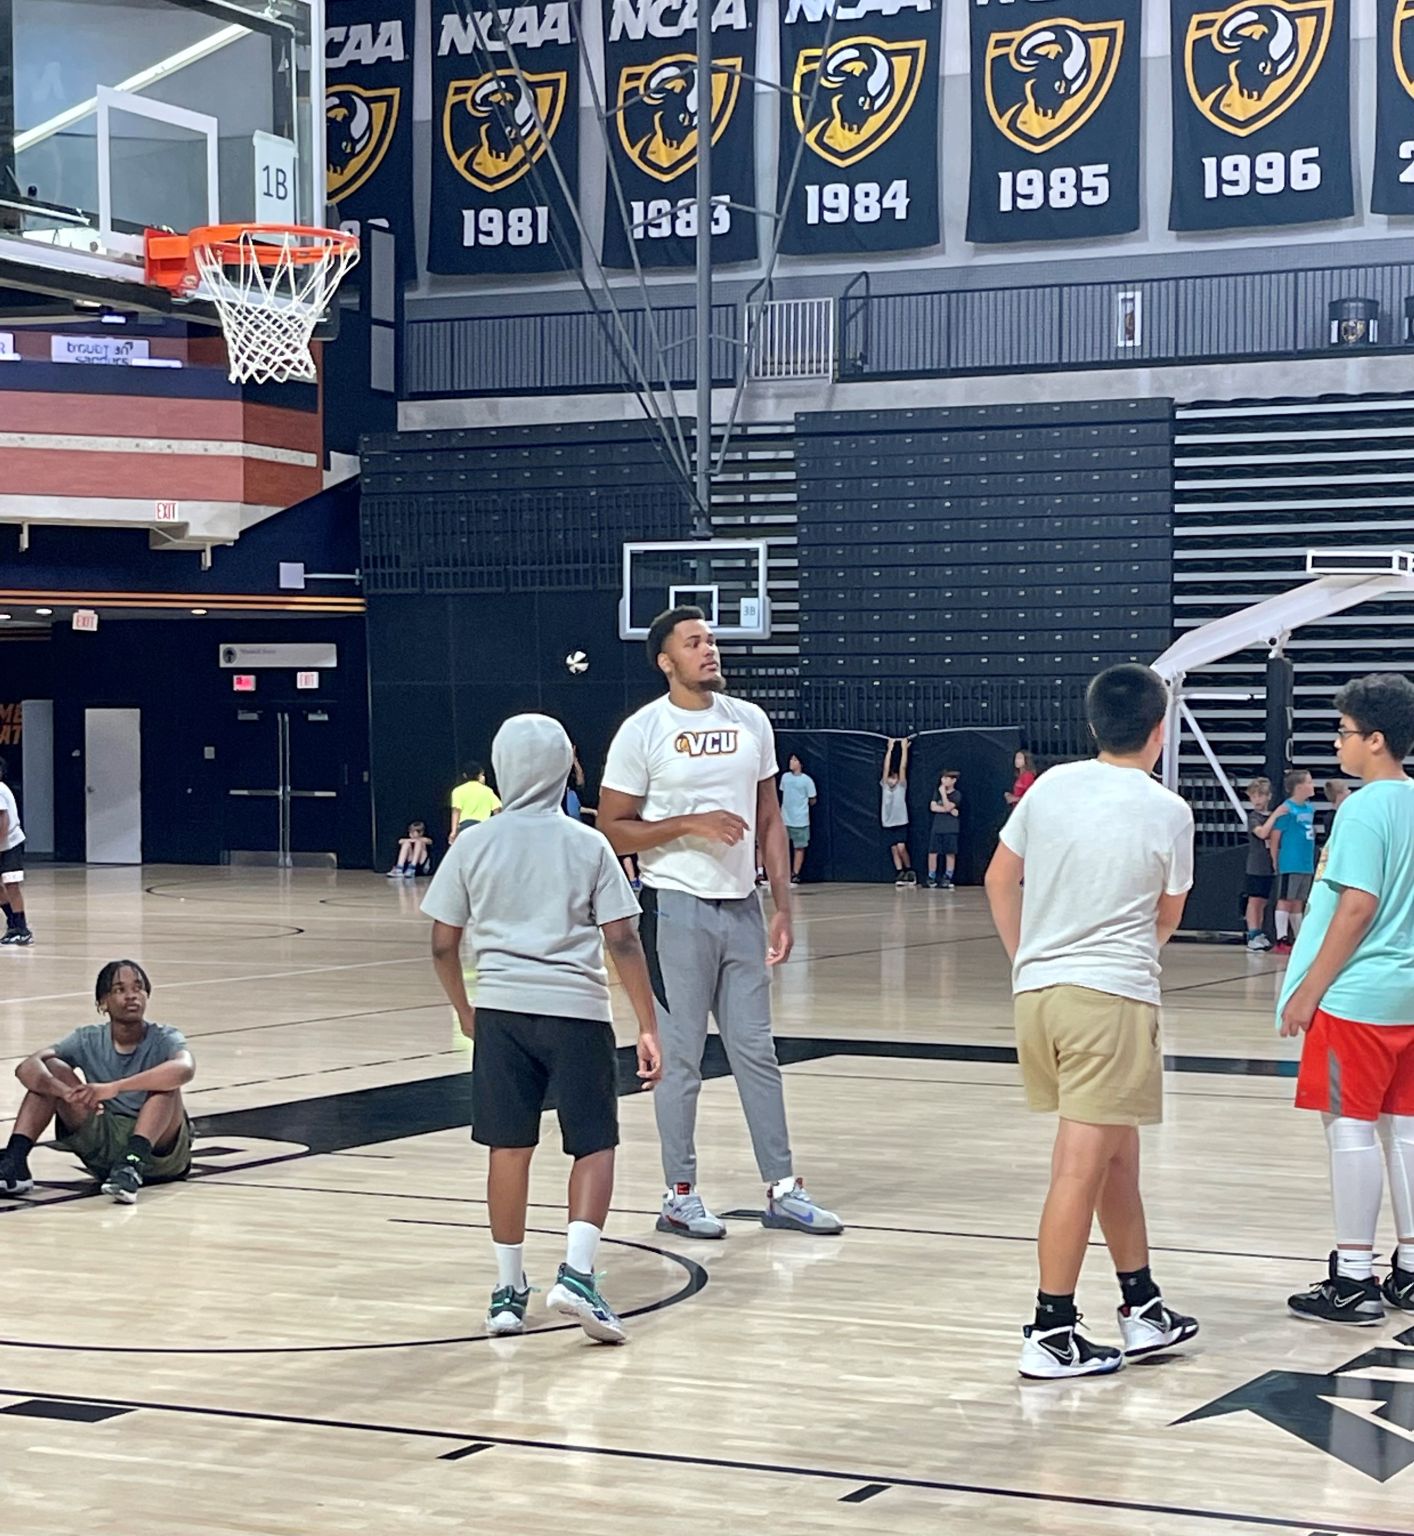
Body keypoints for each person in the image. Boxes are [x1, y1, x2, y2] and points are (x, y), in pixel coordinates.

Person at [598, 606, 842, 1240]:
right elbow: (611, 826)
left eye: (711, 640)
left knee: (756, 1051)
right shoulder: (642, 731)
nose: (709, 650)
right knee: (680, 1061)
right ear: (666, 661)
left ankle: (783, 1188)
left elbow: (768, 820)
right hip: (673, 906)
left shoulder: (749, 722)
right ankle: (679, 1193)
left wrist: (783, 903)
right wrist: (687, 823)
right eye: (694, 642)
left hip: (742, 907)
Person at [984, 663, 1199, 1379]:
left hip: (1038, 999)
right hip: (1109, 999)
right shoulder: (1168, 809)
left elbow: (997, 876)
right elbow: (1169, 912)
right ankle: (1051, 1329)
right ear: (1159, 732)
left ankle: (1142, 1307)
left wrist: (1030, 958)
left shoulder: (1049, 787)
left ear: (1092, 724)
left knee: (1116, 1158)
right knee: (1080, 1165)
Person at [423, 713, 663, 1344]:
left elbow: (443, 945)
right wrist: (647, 1022)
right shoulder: (588, 844)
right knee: (594, 1143)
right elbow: (623, 938)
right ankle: (578, 1276)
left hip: (502, 1014)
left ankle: (508, 1291)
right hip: (577, 1013)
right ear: (562, 767)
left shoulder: (473, 844)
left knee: (509, 1148)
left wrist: (465, 1011)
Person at [1278, 676, 1414, 1323]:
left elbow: (1356, 906)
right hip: (1408, 995)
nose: (1338, 741)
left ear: (1377, 740)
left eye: (1345, 732)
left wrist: (1309, 988)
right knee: (1407, 1132)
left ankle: (1352, 1278)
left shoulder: (1363, 809)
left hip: (1356, 997)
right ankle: (1410, 1270)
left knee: (1352, 1130)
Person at [0, 960, 194, 1204]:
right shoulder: (88, 1038)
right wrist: (61, 1091)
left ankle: (131, 1164)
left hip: (159, 1151)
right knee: (51, 1070)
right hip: (106, 1140)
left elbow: (185, 1069)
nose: (132, 996)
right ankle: (14, 1162)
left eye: (138, 988)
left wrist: (115, 1087)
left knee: (167, 1083)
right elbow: (26, 1067)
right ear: (103, 1003)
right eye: (119, 989)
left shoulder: (165, 1037)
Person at [1263, 769, 1317, 954]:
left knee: (1298, 901)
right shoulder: (1287, 810)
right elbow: (1275, 838)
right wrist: (1275, 860)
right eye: (1309, 782)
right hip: (1290, 862)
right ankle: (1281, 938)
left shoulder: (1309, 808)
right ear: (1299, 787)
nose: (1312, 786)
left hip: (1306, 862)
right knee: (1285, 899)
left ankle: (1299, 938)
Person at [0, 757, 33, 947]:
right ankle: (13, 922)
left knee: (11, 884)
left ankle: (22, 929)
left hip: (9, 843)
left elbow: (2, 822)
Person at [1243, 777, 1275, 952]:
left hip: (1269, 865)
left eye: (1260, 796)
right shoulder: (1254, 818)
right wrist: (1276, 816)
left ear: (1268, 796)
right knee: (1254, 901)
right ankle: (1252, 933)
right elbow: (1262, 833)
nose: (1257, 800)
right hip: (1256, 865)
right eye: (1253, 796)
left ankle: (1259, 932)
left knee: (1263, 901)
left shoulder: (1269, 816)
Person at [779, 754, 817, 884]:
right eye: (790, 759)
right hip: (785, 818)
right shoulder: (785, 778)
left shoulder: (807, 781)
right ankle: (781, 873)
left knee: (799, 847)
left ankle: (795, 873)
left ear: (800, 764)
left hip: (800, 819)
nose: (791, 762)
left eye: (795, 760)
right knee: (781, 847)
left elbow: (813, 799)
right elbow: (783, 792)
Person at [882, 737, 914, 887]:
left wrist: (904, 749)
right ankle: (900, 873)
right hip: (888, 821)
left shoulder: (901, 786)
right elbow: (885, 768)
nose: (891, 780)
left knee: (901, 847)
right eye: (890, 778)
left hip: (901, 821)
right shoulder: (885, 787)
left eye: (894, 778)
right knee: (894, 849)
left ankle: (909, 871)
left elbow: (902, 767)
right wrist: (889, 749)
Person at [927, 769, 962, 890]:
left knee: (950, 852)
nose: (943, 781)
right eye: (943, 778)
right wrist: (949, 810)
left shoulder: (956, 795)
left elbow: (948, 806)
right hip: (937, 826)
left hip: (950, 827)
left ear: (953, 780)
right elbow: (933, 807)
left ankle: (948, 876)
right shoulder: (936, 793)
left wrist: (944, 796)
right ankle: (931, 876)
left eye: (947, 778)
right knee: (933, 852)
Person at [450, 763, 501, 843]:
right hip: (484, 827)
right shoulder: (487, 791)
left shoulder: (458, 791)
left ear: (465, 775)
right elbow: (497, 809)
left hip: (465, 828)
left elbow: (456, 811)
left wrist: (454, 831)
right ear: (480, 775)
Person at [1317, 779, 1354, 881]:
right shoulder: (1335, 816)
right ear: (1340, 795)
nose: (1350, 792)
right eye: (1347, 790)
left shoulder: (1338, 815)